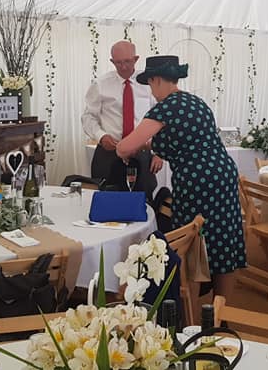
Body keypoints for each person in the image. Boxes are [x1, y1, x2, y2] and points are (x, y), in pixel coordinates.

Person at [116, 55, 246, 299]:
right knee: (224, 239)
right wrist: (149, 146)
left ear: (155, 79)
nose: (152, 91)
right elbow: (184, 140)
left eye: (151, 84)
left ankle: (192, 317)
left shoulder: (165, 107)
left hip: (197, 181)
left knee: (192, 241)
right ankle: (221, 312)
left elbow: (125, 147)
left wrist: (123, 148)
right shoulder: (196, 102)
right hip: (224, 174)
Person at [81, 41, 162, 195]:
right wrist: (101, 136)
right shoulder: (101, 84)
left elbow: (159, 119)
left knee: (144, 200)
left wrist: (159, 152)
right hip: (109, 151)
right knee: (107, 198)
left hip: (142, 152)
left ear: (136, 59)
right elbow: (88, 117)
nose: (123, 66)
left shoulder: (148, 84)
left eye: (127, 61)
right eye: (118, 62)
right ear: (112, 61)